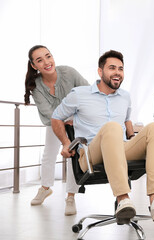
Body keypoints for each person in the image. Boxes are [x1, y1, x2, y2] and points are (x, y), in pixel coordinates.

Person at [51, 50, 154, 224]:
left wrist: (132, 137)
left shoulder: (125, 96)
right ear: (100, 72)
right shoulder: (79, 94)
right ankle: (123, 199)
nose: (117, 72)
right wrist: (65, 143)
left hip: (120, 147)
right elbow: (56, 117)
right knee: (112, 128)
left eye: (121, 69)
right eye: (112, 68)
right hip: (91, 154)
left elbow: (127, 120)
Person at [24, 45, 89, 215]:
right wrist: (64, 121)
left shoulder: (69, 73)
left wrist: (75, 117)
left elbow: (88, 92)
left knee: (72, 156)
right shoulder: (36, 86)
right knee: (48, 155)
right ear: (34, 65)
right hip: (55, 122)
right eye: (39, 60)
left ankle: (71, 197)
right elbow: (49, 113)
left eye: (48, 56)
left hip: (76, 121)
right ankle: (45, 188)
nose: (46, 62)